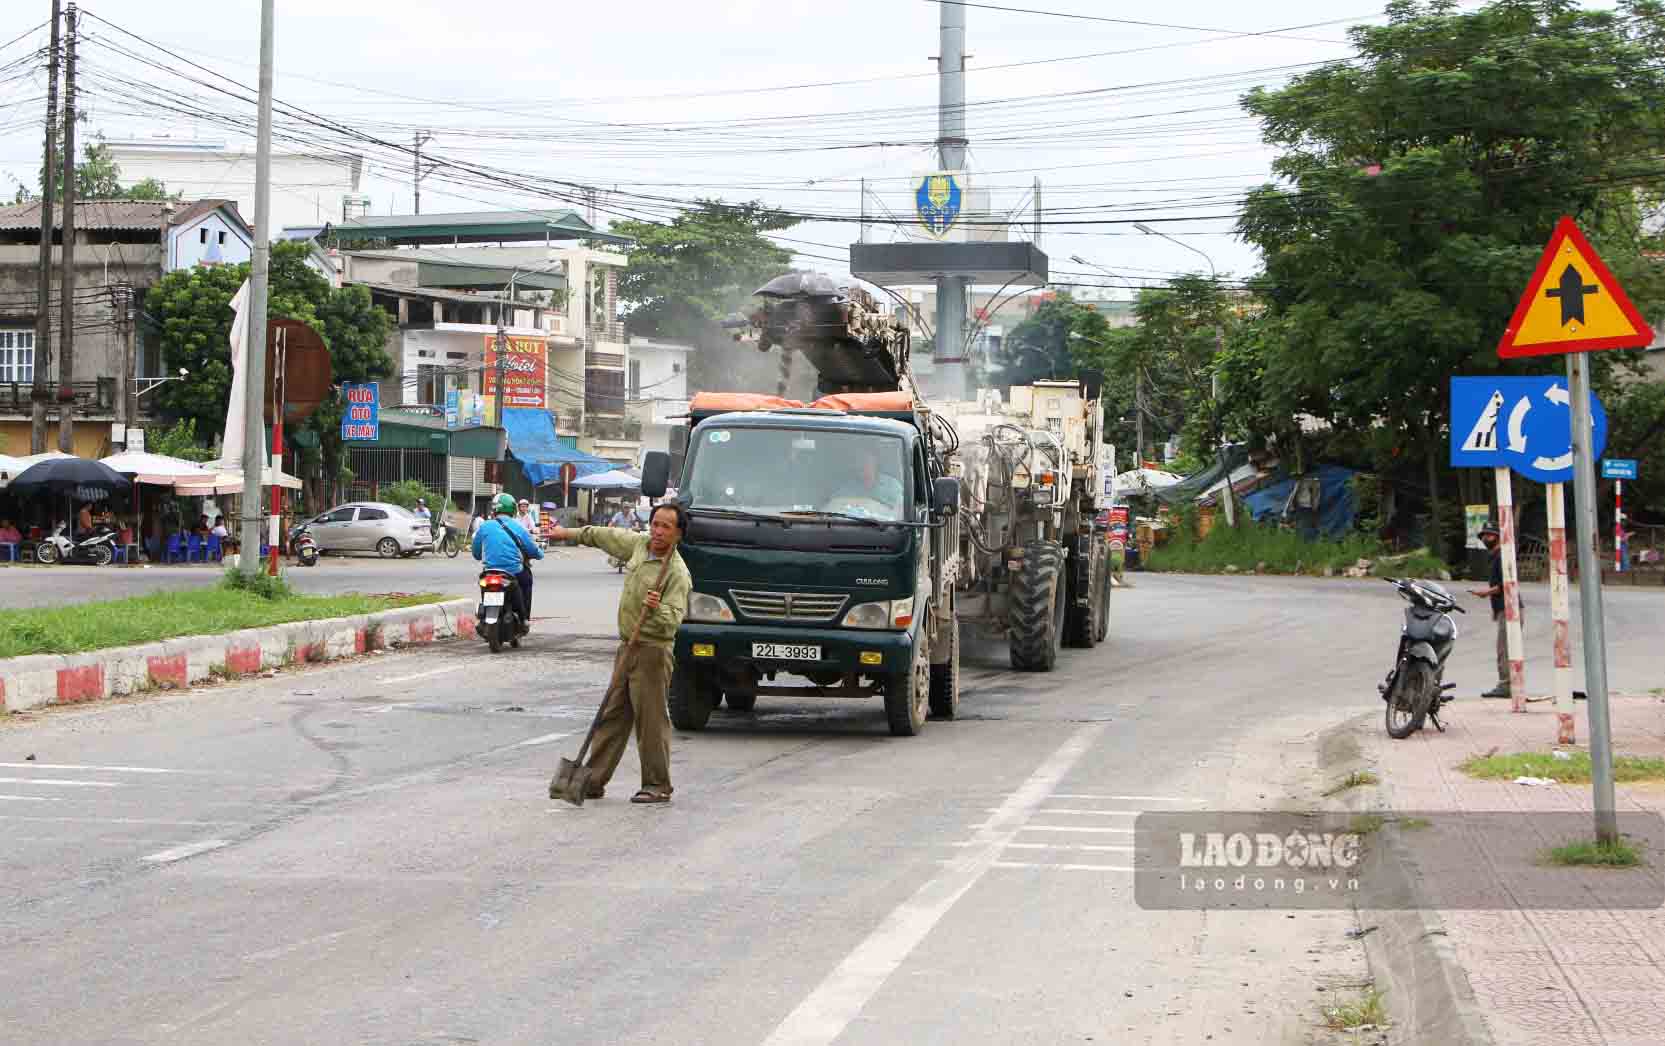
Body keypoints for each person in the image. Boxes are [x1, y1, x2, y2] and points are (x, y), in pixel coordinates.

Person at [548, 505, 691, 804]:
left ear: (678, 533)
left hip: (653, 652)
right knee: (612, 715)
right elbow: (603, 535)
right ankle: (593, 780)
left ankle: (657, 785)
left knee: (650, 721)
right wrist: (567, 533)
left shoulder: (677, 573)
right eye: (655, 524)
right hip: (627, 647)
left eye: (666, 527)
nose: (658, 532)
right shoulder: (638, 546)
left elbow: (673, 621)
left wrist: (657, 608)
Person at [1468, 519, 1524, 699]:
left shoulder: (1502, 556)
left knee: (1505, 649)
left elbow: (1504, 585)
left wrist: (1486, 593)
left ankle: (1506, 685)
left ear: (1498, 537)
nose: (1486, 538)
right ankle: (1510, 684)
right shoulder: (1495, 556)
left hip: (1510, 608)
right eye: (1484, 535)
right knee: (1506, 648)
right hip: (1505, 609)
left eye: (1490, 535)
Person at [472, 493, 542, 632]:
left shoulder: (485, 526)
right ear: (513, 509)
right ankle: (524, 618)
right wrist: (539, 553)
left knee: (484, 585)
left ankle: (484, 615)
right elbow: (533, 551)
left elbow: (476, 553)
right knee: (527, 579)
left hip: (489, 572)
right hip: (513, 571)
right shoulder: (518, 527)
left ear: (494, 509)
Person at [824, 448, 905, 518]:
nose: (861, 466)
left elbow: (901, 512)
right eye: (858, 462)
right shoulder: (848, 487)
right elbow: (832, 506)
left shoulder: (892, 486)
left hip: (884, 531)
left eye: (866, 461)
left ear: (875, 462)